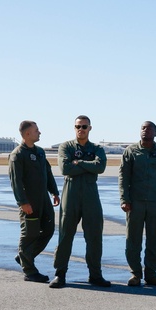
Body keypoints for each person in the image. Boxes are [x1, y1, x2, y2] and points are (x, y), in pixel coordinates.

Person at [51, 115, 111, 288]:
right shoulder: (66, 147)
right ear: (74, 127)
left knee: (94, 236)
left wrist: (80, 162)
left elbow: (100, 167)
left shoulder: (97, 148)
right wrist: (87, 165)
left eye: (84, 126)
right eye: (78, 126)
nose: (81, 129)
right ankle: (60, 274)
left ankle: (95, 275)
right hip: (71, 193)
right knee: (65, 235)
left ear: (90, 128)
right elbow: (65, 168)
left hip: (91, 194)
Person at [120, 121, 156, 287]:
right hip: (135, 203)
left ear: (155, 133)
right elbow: (124, 177)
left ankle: (151, 274)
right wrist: (124, 199)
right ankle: (135, 274)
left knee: (154, 240)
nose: (146, 131)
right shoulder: (131, 151)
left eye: (150, 128)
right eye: (143, 128)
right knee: (133, 240)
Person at [9, 120, 59, 283]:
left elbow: (48, 172)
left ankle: (25, 257)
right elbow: (16, 181)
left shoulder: (39, 152)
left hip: (43, 200)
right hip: (29, 202)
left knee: (49, 229)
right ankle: (29, 271)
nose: (40, 132)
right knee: (29, 235)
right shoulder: (18, 155)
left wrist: (54, 191)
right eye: (36, 130)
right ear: (27, 134)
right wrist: (22, 202)